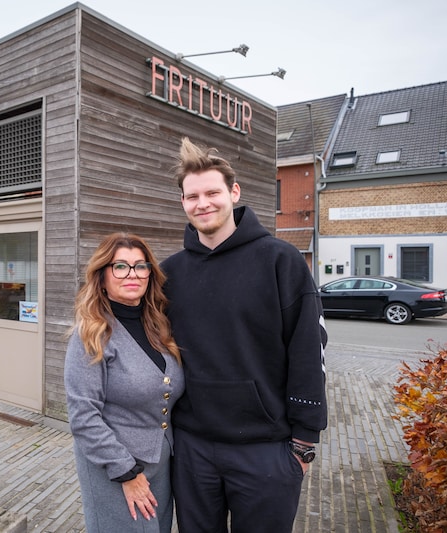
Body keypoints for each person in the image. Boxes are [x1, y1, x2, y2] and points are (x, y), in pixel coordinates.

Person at [161, 137, 328, 533]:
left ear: (234, 193)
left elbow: (308, 349)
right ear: (182, 202)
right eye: (192, 196)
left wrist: (304, 442)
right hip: (192, 448)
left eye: (212, 193)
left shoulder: (281, 261)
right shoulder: (170, 273)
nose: (203, 203)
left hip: (267, 449)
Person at [65, 232, 184, 532]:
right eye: (120, 266)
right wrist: (126, 473)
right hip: (114, 468)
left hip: (160, 466)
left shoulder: (159, 327)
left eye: (140, 266)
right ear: (102, 277)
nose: (132, 274)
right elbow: (83, 417)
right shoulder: (91, 335)